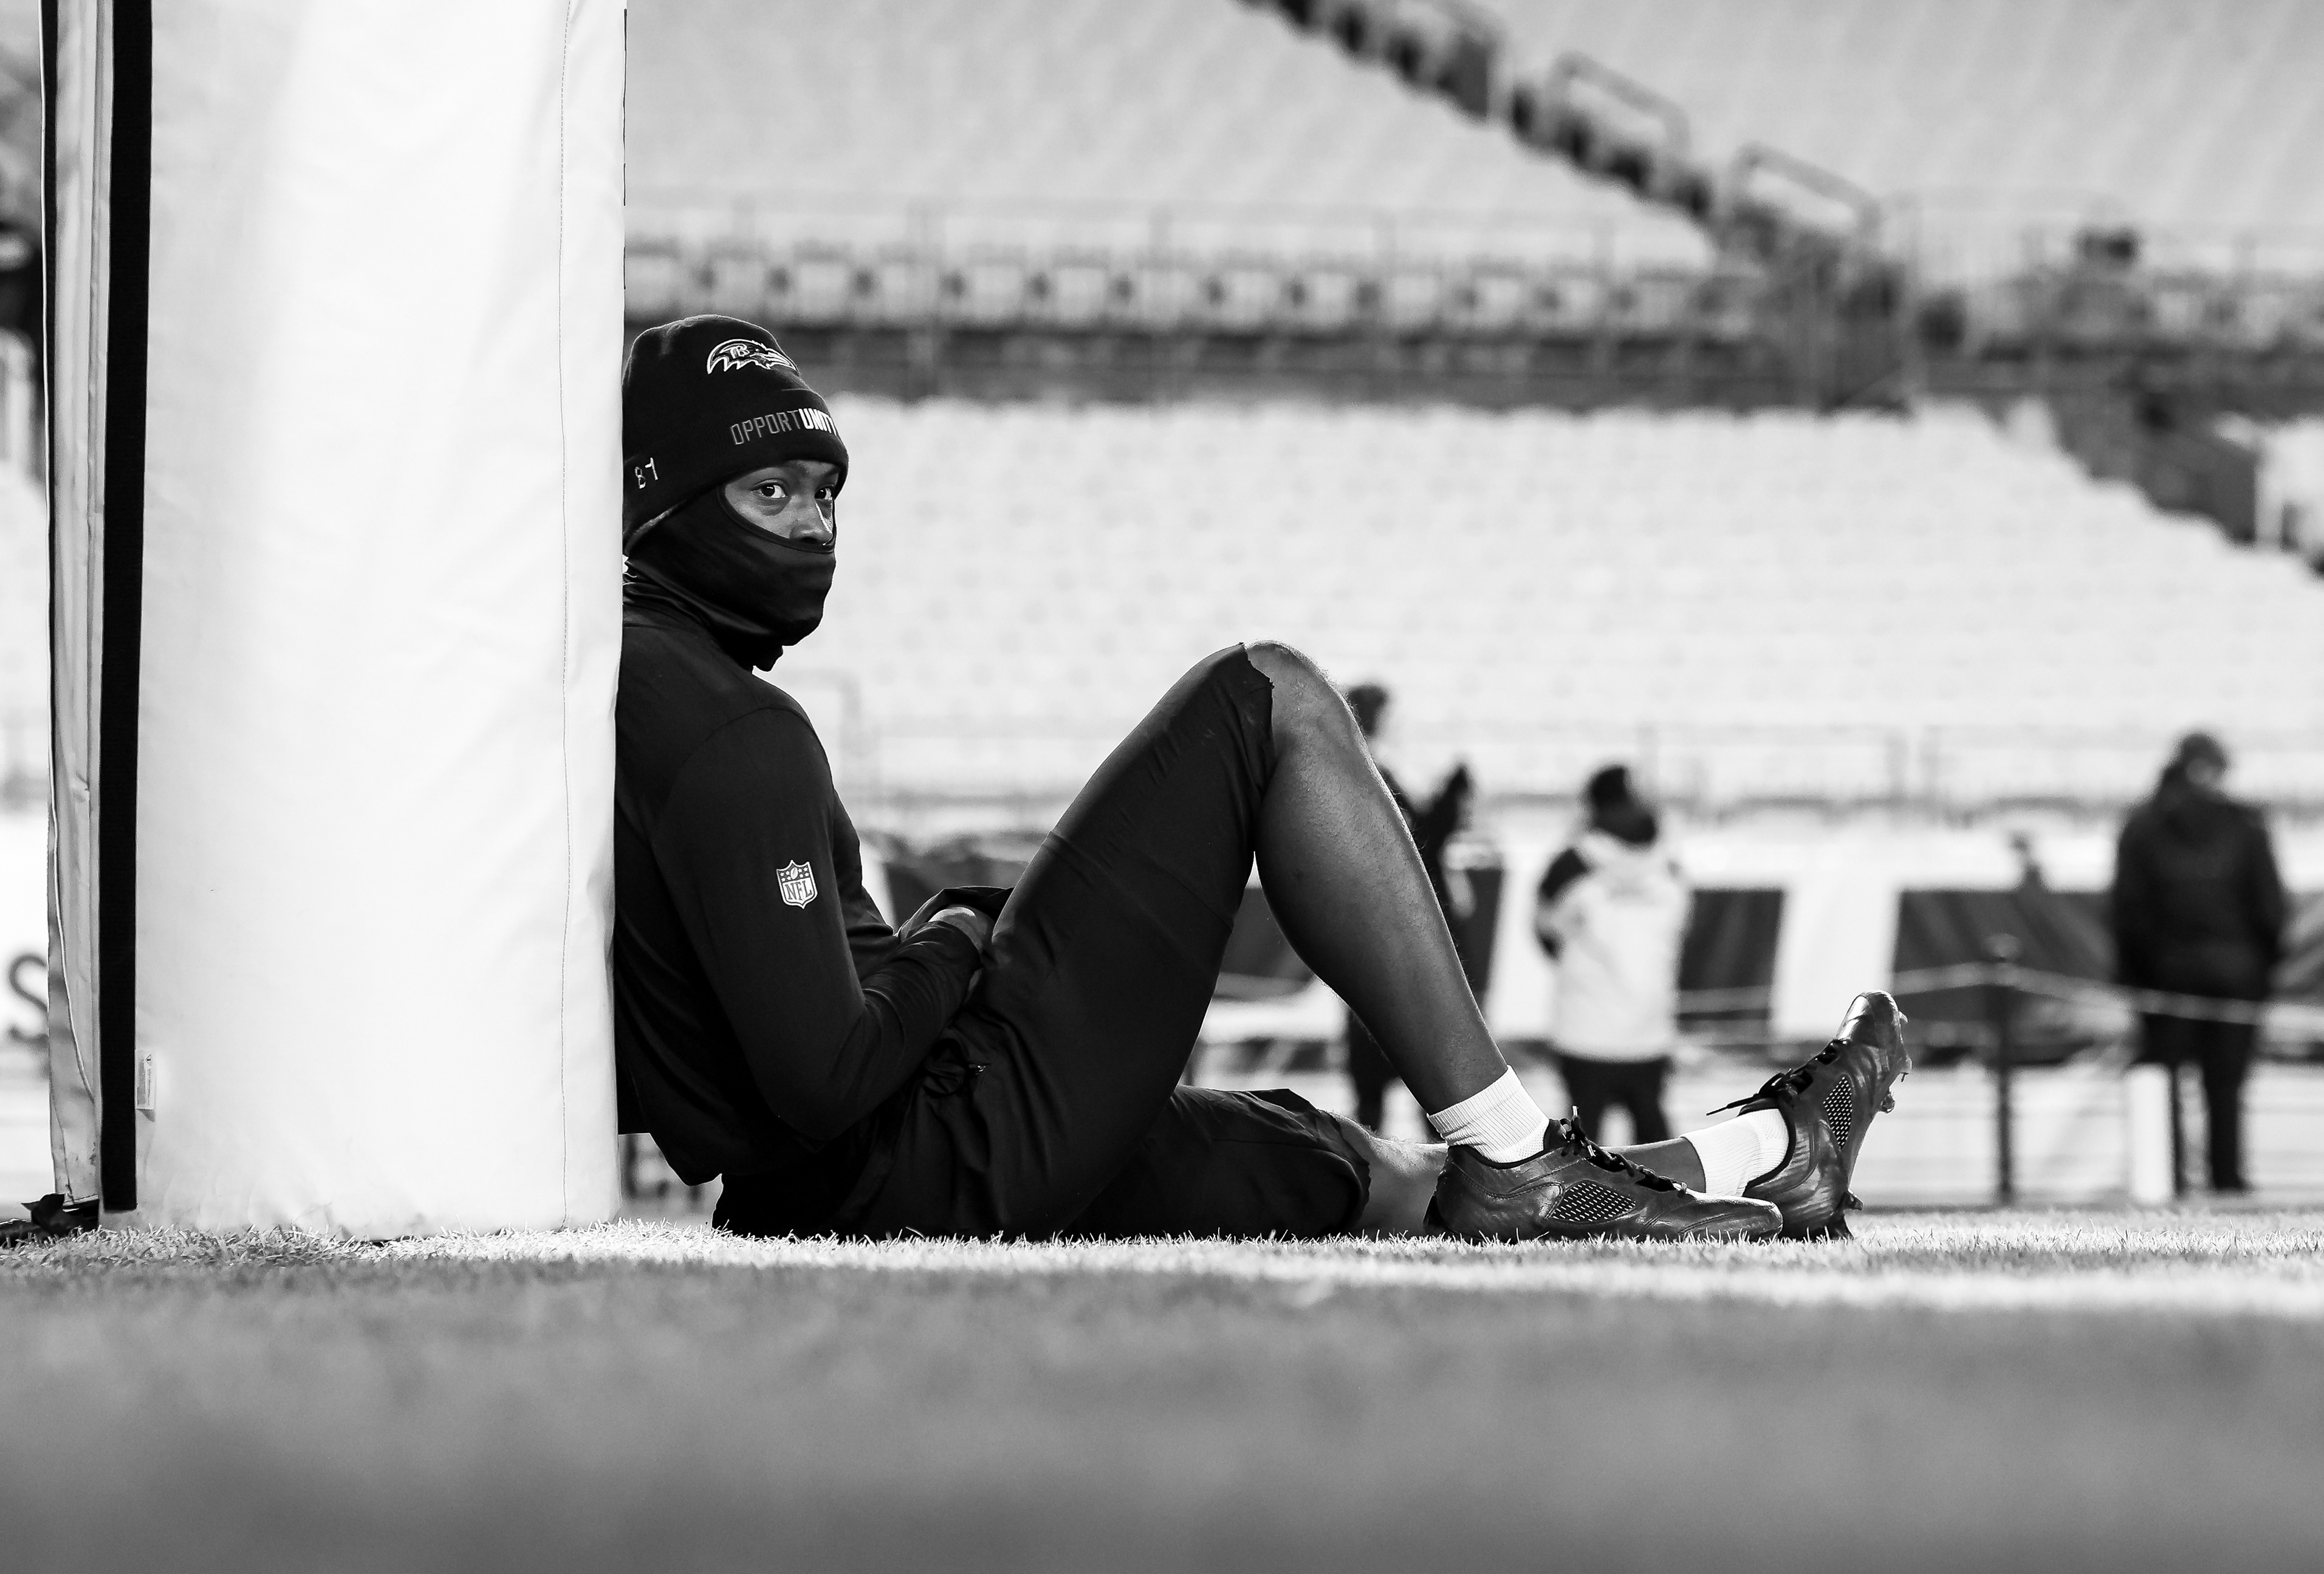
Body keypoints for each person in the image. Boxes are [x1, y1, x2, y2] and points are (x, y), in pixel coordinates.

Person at [611, 313, 1910, 1244]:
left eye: (826, 493)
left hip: (868, 1170)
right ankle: (1522, 1156)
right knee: (1267, 697)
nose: (813, 525)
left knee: (1348, 1163)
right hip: (933, 1147)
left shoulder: (629, 685)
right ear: (661, 501)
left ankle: (1765, 1154)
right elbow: (824, 1076)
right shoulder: (736, 729)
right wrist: (951, 939)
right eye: (771, 490)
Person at [2110, 732, 2287, 1194]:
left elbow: (2129, 912)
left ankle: (2167, 1179)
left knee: (2166, 1081)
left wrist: (2141, 976)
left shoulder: (2143, 824)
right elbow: (2270, 909)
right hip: (2236, 976)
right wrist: (2260, 971)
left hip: (2166, 977)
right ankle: (2227, 1181)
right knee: (2226, 1085)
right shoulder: (2246, 824)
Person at [1339, 681, 1475, 1134]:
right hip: (1392, 931)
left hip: (1390, 929)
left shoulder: (1373, 769)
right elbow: (1416, 842)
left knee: (1410, 1064)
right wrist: (1449, 801)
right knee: (1412, 1053)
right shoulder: (1365, 772)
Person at [1534, 766, 1687, 1145]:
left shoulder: (1570, 865)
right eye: (1635, 800)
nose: (1645, 808)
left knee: (1602, 1152)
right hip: (1615, 1035)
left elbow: (1546, 934)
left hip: (1614, 1034)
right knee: (1642, 1150)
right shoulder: (1667, 868)